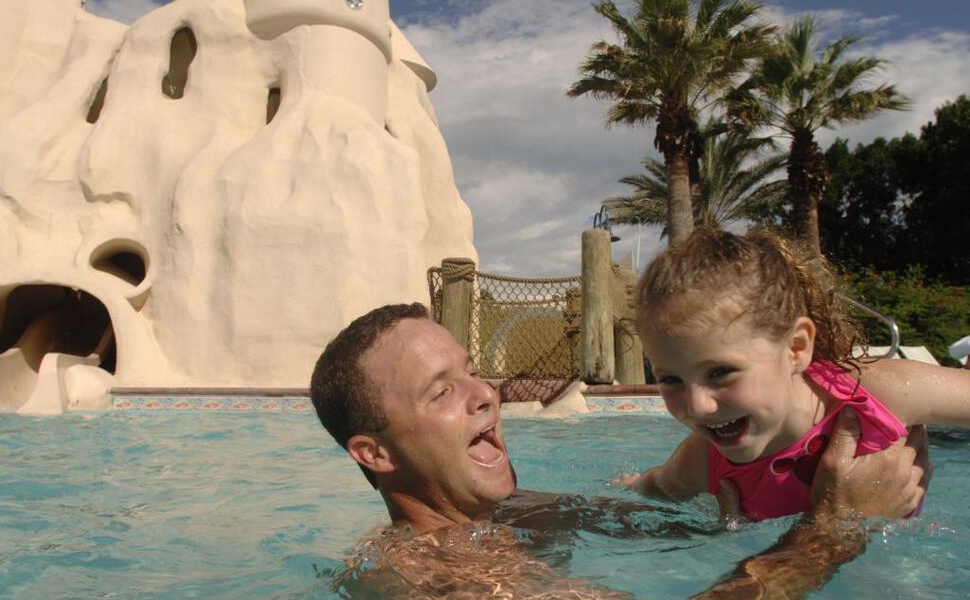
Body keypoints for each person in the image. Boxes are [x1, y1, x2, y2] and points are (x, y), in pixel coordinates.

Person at [309, 302, 931, 598]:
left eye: (471, 372)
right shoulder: (416, 578)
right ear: (377, 454)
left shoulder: (522, 511)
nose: (485, 394)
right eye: (443, 391)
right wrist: (835, 528)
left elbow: (683, 523)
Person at [616, 228, 968, 522]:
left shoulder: (876, 394)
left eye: (720, 372)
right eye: (670, 380)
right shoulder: (703, 461)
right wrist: (630, 486)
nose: (697, 406)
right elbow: (658, 486)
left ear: (796, 348)